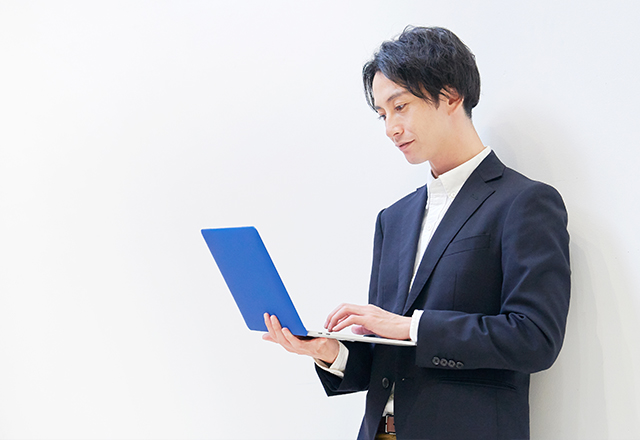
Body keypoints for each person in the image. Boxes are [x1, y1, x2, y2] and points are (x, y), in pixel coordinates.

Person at [263, 26, 571, 440]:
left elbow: (534, 338)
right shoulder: (394, 218)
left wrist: (412, 327)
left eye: (400, 106)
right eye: (382, 114)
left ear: (451, 96)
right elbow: (387, 359)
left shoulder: (524, 202)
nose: (390, 128)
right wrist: (329, 351)